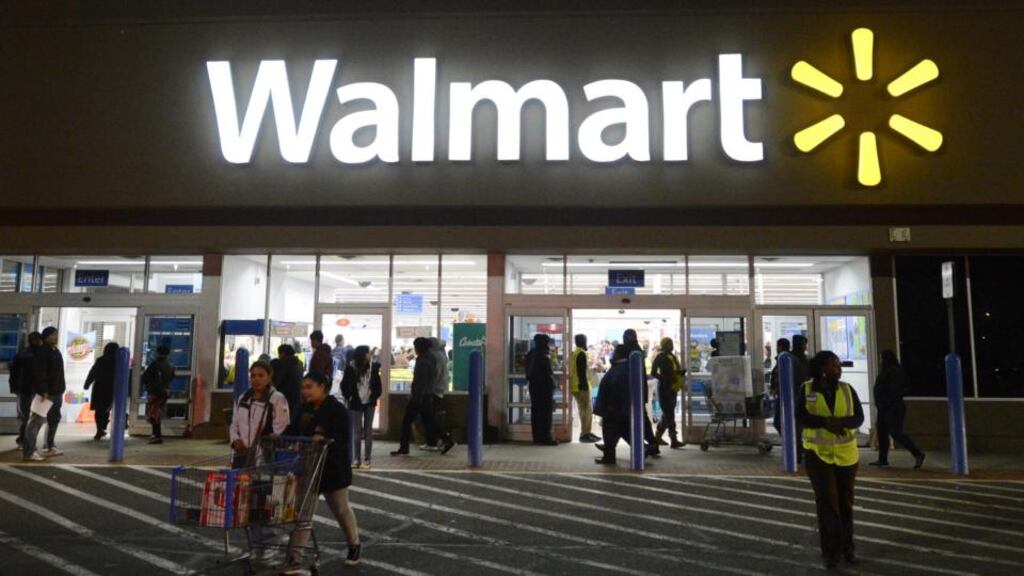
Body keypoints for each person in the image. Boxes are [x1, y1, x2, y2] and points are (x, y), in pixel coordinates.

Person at [282, 371, 361, 571]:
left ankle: (354, 544)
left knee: (340, 509)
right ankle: (295, 558)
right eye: (303, 387)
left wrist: (322, 435)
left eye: (309, 387)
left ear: (322, 387)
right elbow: (292, 430)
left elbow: (340, 436)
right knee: (304, 514)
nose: (304, 391)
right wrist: (280, 437)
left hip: (332, 467)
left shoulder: (336, 409)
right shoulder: (304, 409)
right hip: (308, 468)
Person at [797, 351, 864, 569]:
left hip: (847, 456)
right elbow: (801, 416)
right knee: (827, 504)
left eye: (838, 365)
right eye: (834, 365)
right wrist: (825, 422)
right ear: (823, 368)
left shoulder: (846, 389)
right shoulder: (806, 390)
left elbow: (858, 418)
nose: (839, 368)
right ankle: (831, 553)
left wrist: (840, 422)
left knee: (845, 503)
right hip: (818, 455)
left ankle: (848, 548)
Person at [392, 337, 454, 455]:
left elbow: (421, 380)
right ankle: (447, 439)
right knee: (429, 421)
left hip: (420, 396)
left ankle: (404, 448)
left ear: (418, 347)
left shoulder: (423, 360)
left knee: (407, 421)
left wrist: (415, 396)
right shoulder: (432, 358)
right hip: (428, 395)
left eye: (415, 347)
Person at [229, 360, 291, 467]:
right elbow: (234, 423)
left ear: (269, 377)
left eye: (261, 375)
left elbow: (281, 425)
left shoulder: (277, 398)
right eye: (253, 376)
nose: (256, 379)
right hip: (241, 453)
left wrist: (269, 440)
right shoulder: (243, 398)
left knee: (259, 483)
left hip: (264, 455)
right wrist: (235, 440)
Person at [870, 350, 926, 469]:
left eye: (882, 358)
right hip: (885, 407)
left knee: (896, 433)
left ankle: (918, 454)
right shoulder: (889, 371)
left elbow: (894, 391)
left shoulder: (894, 372)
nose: (881, 361)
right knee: (883, 432)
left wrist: (884, 403)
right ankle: (882, 459)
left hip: (892, 407)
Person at [23, 326, 66, 461]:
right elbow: (39, 373)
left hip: (57, 392)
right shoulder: (42, 352)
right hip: (46, 394)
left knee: (54, 419)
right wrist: (43, 390)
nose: (56, 337)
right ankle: (29, 452)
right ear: (47, 337)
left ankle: (49, 446)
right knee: (36, 422)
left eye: (57, 334)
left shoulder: (56, 351)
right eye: (54, 335)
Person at [340, 345, 382, 469]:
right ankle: (357, 459)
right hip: (356, 402)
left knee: (368, 431)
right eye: (367, 352)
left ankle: (367, 459)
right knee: (357, 431)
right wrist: (350, 396)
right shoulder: (351, 368)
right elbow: (344, 385)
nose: (369, 354)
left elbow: (378, 385)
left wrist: (375, 395)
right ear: (362, 354)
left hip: (370, 402)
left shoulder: (373, 368)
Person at [623, 329, 658, 457]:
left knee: (639, 418)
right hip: (638, 389)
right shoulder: (637, 350)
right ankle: (652, 444)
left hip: (633, 390)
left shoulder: (632, 351)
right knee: (641, 417)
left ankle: (649, 445)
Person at [593, 345, 631, 464]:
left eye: (615, 352)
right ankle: (609, 454)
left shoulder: (619, 369)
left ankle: (609, 456)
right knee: (621, 431)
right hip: (617, 407)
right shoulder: (623, 367)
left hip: (613, 407)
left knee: (610, 431)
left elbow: (615, 387)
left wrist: (610, 404)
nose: (613, 354)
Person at [652, 337, 686, 449]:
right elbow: (653, 373)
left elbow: (673, 371)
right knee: (669, 414)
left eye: (671, 343)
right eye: (669, 344)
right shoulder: (660, 356)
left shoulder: (673, 357)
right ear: (664, 345)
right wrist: (664, 378)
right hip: (664, 388)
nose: (671, 346)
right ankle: (674, 440)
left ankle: (657, 438)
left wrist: (679, 373)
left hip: (673, 388)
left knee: (667, 415)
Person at [525, 333, 558, 446]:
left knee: (535, 412)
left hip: (533, 386)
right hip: (544, 388)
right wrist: (553, 384)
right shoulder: (544, 355)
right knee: (545, 413)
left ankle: (537, 437)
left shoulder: (531, 353)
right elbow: (549, 373)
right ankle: (545, 437)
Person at [12, 331, 41, 449]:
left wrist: (14, 387)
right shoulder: (41, 354)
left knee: (25, 417)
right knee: (35, 417)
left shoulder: (21, 354)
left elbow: (14, 373)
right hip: (35, 390)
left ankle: (23, 440)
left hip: (24, 389)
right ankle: (27, 442)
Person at [84, 342, 119, 441]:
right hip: (111, 388)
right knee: (107, 409)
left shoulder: (100, 360)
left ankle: (99, 429)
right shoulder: (118, 361)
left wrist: (87, 383)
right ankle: (103, 427)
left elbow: (93, 372)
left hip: (99, 387)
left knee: (99, 410)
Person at [142, 345, 177, 444]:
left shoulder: (154, 364)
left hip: (155, 391)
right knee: (156, 412)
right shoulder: (170, 365)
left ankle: (157, 435)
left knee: (154, 413)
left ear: (157, 352)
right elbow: (172, 377)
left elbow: (145, 378)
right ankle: (156, 435)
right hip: (165, 391)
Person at [569, 334, 600, 443]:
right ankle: (585, 434)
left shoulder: (574, 352)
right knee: (586, 410)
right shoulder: (581, 353)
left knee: (584, 410)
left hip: (574, 385)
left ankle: (587, 432)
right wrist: (585, 386)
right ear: (583, 341)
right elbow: (581, 372)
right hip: (581, 385)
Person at [791, 334, 810, 462]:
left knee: (800, 426)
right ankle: (797, 451)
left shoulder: (804, 360)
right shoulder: (793, 359)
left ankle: (799, 451)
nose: (805, 347)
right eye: (804, 344)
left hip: (804, 396)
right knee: (797, 426)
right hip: (796, 396)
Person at [271, 343, 304, 415]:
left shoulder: (284, 363)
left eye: (279, 354)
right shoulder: (299, 363)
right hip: (297, 398)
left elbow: (277, 381)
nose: (279, 356)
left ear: (282, 354)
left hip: (285, 398)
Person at [769, 337, 792, 435]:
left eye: (777, 346)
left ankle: (787, 437)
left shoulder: (784, 359)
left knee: (778, 421)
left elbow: (779, 376)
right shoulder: (783, 359)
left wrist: (776, 388)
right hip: (782, 394)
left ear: (780, 347)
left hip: (783, 395)